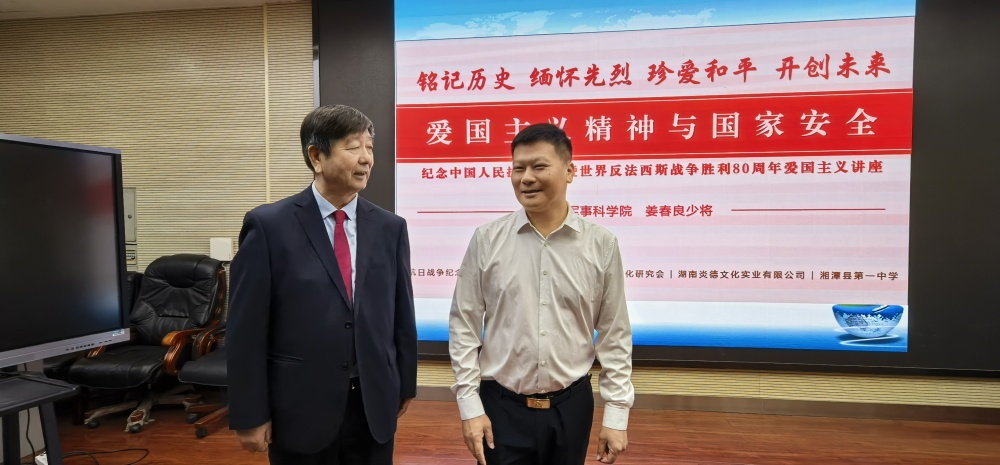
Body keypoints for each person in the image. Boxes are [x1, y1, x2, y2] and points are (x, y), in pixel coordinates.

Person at [226, 104, 418, 465]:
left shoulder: (390, 227)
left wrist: (405, 383)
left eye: (370, 147)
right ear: (316, 156)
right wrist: (249, 413)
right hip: (300, 407)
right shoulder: (269, 226)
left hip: (373, 404)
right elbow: (245, 330)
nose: (366, 159)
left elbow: (401, 314)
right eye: (353, 147)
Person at [449, 123, 634, 465]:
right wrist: (470, 407)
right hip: (501, 407)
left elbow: (614, 334)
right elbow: (464, 326)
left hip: (571, 408)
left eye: (539, 167)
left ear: (570, 171)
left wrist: (617, 414)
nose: (526, 178)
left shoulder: (601, 245)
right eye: (518, 168)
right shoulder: (487, 240)